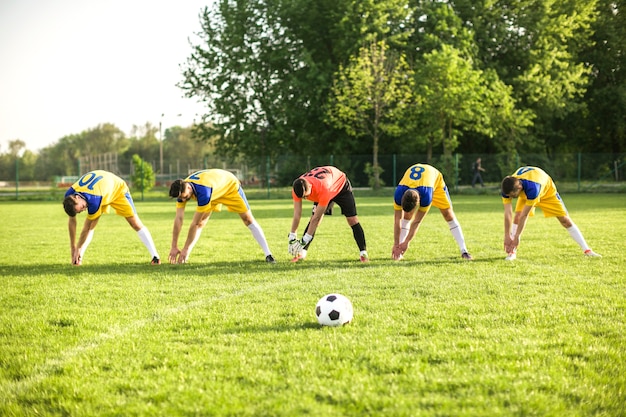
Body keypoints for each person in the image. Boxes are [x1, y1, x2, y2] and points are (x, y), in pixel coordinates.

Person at [168, 169, 275, 264]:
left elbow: (194, 223)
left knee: (247, 219)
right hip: (214, 189)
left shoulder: (203, 192)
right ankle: (185, 258)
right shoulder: (182, 191)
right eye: (181, 198)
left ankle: (268, 254)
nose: (183, 200)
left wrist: (185, 248)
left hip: (229, 186)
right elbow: (179, 218)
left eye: (185, 197)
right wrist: (174, 246)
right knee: (201, 222)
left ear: (188, 187)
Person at [500, 166, 601, 260]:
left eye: (513, 195)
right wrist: (506, 235)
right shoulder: (508, 187)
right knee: (517, 217)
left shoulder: (533, 188)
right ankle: (512, 252)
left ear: (519, 188)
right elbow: (508, 213)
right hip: (526, 191)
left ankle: (587, 250)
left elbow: (524, 215)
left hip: (547, 192)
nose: (511, 197)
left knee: (565, 220)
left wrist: (517, 236)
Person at [63, 170, 161, 265]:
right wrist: (72, 247)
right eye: (80, 211)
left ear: (78, 197)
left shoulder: (94, 201)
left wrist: (78, 247)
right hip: (102, 190)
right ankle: (78, 259)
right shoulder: (69, 196)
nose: (83, 210)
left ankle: (155, 256)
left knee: (134, 223)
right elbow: (72, 220)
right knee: (92, 224)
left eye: (82, 207)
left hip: (117, 190)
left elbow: (86, 227)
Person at [392, 163, 473, 261]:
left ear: (419, 202)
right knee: (407, 216)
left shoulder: (426, 196)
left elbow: (417, 222)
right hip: (417, 181)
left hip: (435, 180)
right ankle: (399, 252)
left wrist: (407, 242)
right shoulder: (398, 193)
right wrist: (396, 244)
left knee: (448, 214)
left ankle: (464, 250)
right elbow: (397, 219)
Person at [289, 166, 368, 262]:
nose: (306, 198)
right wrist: (292, 235)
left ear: (310, 186)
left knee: (352, 220)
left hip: (340, 186)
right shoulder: (297, 188)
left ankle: (363, 253)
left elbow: (316, 218)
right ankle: (302, 253)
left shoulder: (323, 188)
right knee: (314, 222)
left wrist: (303, 241)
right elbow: (297, 214)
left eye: (306, 196)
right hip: (326, 184)